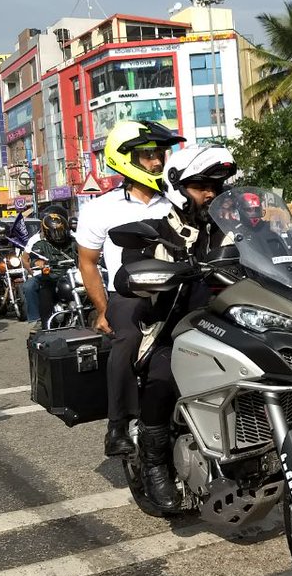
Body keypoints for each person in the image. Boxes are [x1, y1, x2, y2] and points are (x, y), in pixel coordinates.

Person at [125, 145, 238, 509]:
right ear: (177, 186)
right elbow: (131, 273)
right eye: (201, 185)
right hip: (174, 330)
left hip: (231, 327)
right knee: (163, 374)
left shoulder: (231, 230)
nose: (211, 194)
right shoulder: (159, 232)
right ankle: (155, 465)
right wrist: (157, 276)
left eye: (216, 186)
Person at [76, 120, 185, 457]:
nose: (157, 161)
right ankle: (117, 425)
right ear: (125, 158)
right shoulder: (100, 208)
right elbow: (88, 262)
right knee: (128, 339)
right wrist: (104, 307)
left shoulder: (176, 203)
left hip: (177, 292)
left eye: (161, 154)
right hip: (129, 295)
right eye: (148, 154)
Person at [23, 207, 76, 325]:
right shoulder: (39, 242)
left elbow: (84, 252)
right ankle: (41, 322)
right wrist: (37, 263)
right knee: (40, 291)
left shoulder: (73, 240)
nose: (58, 234)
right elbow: (32, 257)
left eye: (60, 231)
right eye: (54, 232)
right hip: (50, 277)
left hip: (72, 275)